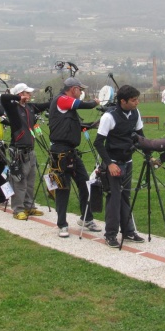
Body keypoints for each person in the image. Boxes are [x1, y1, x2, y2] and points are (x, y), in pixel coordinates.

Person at [48, 77, 101, 238]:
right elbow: (84, 104)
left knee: (85, 184)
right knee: (63, 189)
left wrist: (92, 125)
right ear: (73, 89)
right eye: (80, 89)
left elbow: (75, 126)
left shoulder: (67, 105)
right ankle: (62, 224)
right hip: (60, 152)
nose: (82, 92)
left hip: (71, 152)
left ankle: (87, 218)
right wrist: (95, 102)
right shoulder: (62, 100)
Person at [94, 85, 145, 247]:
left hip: (128, 161)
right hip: (113, 164)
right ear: (123, 101)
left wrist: (150, 153)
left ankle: (128, 231)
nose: (137, 103)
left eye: (137, 99)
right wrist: (109, 164)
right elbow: (98, 143)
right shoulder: (109, 117)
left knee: (125, 197)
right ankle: (110, 234)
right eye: (133, 100)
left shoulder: (135, 113)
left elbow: (140, 137)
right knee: (114, 199)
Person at [0, 83, 50, 220]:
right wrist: (17, 99)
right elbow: (3, 98)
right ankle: (18, 209)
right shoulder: (13, 108)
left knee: (30, 181)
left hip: (30, 150)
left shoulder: (30, 107)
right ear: (21, 94)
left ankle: (29, 207)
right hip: (18, 150)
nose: (30, 95)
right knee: (19, 181)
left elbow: (45, 105)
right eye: (27, 93)